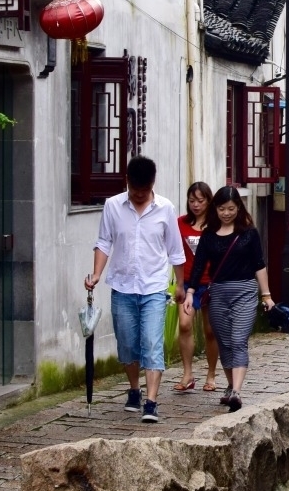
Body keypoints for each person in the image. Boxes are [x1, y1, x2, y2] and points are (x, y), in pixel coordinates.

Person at [84, 156, 185, 424]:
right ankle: (134, 389)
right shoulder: (113, 206)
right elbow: (104, 242)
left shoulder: (165, 208)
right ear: (127, 181)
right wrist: (96, 274)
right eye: (135, 190)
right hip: (122, 286)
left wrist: (180, 285)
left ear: (153, 183)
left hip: (154, 287)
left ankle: (151, 402)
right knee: (127, 345)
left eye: (144, 190)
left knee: (152, 343)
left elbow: (175, 251)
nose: (139, 195)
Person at [185, 185, 275, 413]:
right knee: (224, 342)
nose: (226, 213)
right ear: (215, 208)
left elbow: (259, 265)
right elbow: (198, 266)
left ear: (239, 208)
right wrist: (190, 292)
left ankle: (236, 391)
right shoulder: (208, 235)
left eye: (231, 209)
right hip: (218, 293)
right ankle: (230, 385)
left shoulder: (249, 234)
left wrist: (266, 295)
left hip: (245, 291)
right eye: (222, 209)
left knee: (238, 340)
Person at [173, 181, 220, 393]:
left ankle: (211, 374)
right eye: (192, 200)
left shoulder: (215, 225)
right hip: (187, 282)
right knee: (184, 325)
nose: (196, 205)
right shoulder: (180, 223)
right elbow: (175, 254)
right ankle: (187, 373)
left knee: (210, 331)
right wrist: (178, 284)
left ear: (209, 201)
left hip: (210, 283)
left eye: (200, 201)